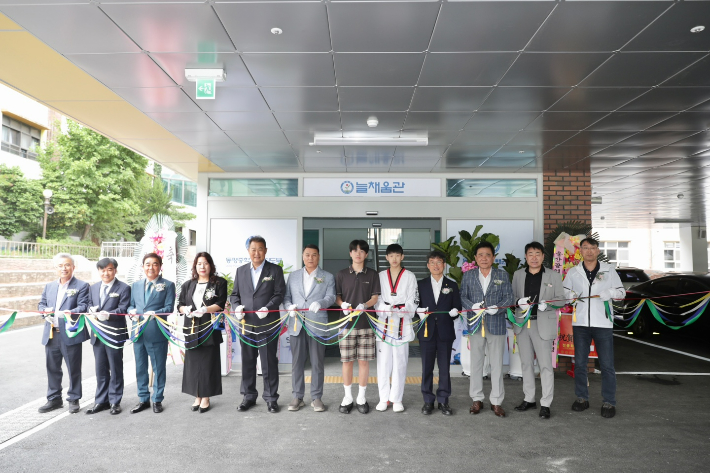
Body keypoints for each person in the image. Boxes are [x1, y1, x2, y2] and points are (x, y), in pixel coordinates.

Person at [563, 237, 625, 419]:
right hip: (580, 323)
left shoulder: (609, 270)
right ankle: (582, 398)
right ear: (580, 251)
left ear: (598, 250)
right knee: (580, 364)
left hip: (603, 324)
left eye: (592, 248)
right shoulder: (573, 272)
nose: (589, 251)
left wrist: (611, 293)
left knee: (607, 365)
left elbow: (621, 293)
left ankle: (609, 401)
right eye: (585, 248)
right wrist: (570, 295)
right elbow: (564, 292)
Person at [230, 235, 286, 414]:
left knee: (269, 361)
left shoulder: (275, 270)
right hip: (246, 324)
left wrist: (268, 308)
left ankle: (271, 398)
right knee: (247, 361)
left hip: (267, 323)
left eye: (260, 249)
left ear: (266, 251)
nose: (256, 253)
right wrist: (236, 307)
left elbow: (279, 294)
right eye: (253, 249)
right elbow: (234, 295)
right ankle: (248, 396)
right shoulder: (241, 271)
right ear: (248, 251)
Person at [511, 242, 565, 419]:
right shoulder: (518, 275)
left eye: (537, 254)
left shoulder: (553, 276)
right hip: (522, 324)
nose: (534, 257)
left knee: (545, 366)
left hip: (542, 324)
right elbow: (512, 298)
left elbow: (561, 300)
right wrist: (518, 301)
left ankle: (546, 403)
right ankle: (529, 398)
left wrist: (547, 304)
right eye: (530, 254)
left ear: (543, 256)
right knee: (526, 364)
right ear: (525, 257)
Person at [460, 241, 513, 418]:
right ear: (475, 258)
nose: (484, 258)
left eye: (488, 255)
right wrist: (472, 306)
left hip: (496, 323)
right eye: (480, 255)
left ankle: (496, 401)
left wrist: (497, 308)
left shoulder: (502, 275)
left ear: (493, 257)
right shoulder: (468, 275)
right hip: (475, 324)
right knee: (476, 363)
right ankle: (477, 398)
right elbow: (463, 296)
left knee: (496, 364)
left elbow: (509, 298)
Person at [284, 244, 336, 412]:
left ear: (318, 257)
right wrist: (289, 307)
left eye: (314, 255)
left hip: (317, 324)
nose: (310, 258)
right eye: (307, 255)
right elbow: (286, 297)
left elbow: (331, 297)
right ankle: (297, 396)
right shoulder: (293, 276)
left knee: (317, 363)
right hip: (296, 323)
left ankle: (316, 397)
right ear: (302, 256)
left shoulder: (327, 277)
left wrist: (321, 303)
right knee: (297, 362)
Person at [37, 253, 90, 414]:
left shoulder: (81, 286)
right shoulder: (49, 286)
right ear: (56, 268)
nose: (64, 268)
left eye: (67, 265)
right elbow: (41, 303)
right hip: (52, 333)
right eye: (60, 266)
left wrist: (70, 312)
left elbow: (83, 306)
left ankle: (74, 399)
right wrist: (44, 311)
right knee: (52, 368)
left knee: (73, 368)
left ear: (73, 267)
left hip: (71, 333)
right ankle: (54, 399)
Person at [178, 252, 228, 413]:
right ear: (195, 266)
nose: (202, 266)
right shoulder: (188, 284)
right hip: (191, 328)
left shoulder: (219, 283)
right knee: (193, 363)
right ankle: (196, 396)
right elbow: (179, 304)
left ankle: (206, 396)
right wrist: (184, 308)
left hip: (209, 327)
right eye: (199, 263)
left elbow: (220, 303)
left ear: (210, 265)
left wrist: (206, 309)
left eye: (205, 263)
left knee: (208, 363)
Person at [335, 239, 381, 414]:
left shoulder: (372, 274)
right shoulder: (341, 274)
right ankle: (347, 397)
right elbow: (337, 296)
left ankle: (361, 397)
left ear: (366, 254)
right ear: (350, 253)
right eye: (355, 250)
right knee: (347, 361)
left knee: (363, 362)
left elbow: (375, 297)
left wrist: (365, 305)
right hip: (345, 324)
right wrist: (342, 305)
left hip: (366, 324)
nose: (358, 253)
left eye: (362, 251)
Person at [128, 253, 176, 414]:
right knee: (140, 367)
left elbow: (169, 308)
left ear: (160, 266)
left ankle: (157, 399)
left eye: (155, 264)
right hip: (138, 332)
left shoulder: (168, 285)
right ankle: (143, 399)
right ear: (143, 267)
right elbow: (130, 306)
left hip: (157, 332)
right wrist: (132, 311)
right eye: (147, 264)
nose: (151, 267)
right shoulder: (135, 285)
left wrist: (154, 312)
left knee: (158, 368)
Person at [416, 250, 462, 415]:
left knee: (444, 369)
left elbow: (459, 306)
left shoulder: (452, 285)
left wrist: (455, 310)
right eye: (432, 262)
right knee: (426, 368)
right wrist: (418, 310)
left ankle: (443, 400)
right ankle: (428, 400)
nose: (436, 265)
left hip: (445, 331)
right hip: (427, 331)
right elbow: (414, 306)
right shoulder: (420, 284)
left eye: (439, 262)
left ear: (444, 265)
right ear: (428, 265)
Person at [374, 243, 418, 413]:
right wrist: (384, 309)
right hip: (384, 322)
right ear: (387, 258)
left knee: (400, 363)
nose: (394, 259)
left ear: (402, 257)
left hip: (402, 321)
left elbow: (414, 299)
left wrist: (403, 310)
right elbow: (376, 299)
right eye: (391, 256)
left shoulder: (410, 276)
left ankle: (397, 399)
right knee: (383, 363)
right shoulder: (380, 276)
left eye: (397, 255)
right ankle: (383, 398)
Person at [85, 258, 131, 416]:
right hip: (98, 334)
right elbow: (88, 304)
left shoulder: (124, 288)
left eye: (109, 269)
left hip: (115, 333)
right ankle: (101, 400)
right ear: (98, 271)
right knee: (100, 369)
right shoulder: (93, 287)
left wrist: (109, 315)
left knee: (115, 368)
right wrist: (91, 310)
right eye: (102, 270)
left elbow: (124, 308)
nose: (106, 273)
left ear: (115, 270)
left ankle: (115, 401)